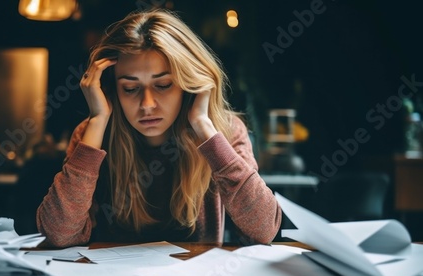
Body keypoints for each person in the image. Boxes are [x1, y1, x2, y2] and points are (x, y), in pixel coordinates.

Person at [37, 9, 281, 247]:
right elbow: (59, 233)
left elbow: (263, 230)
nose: (147, 105)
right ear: (112, 89)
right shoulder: (91, 135)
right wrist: (98, 119)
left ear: (189, 84)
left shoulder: (224, 131)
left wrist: (204, 125)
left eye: (163, 85)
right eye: (130, 89)